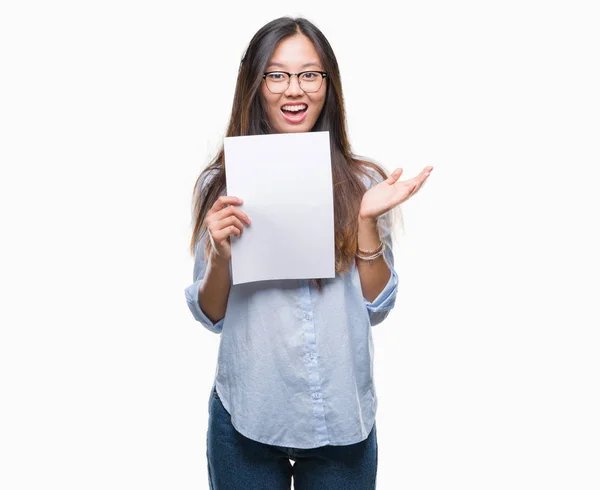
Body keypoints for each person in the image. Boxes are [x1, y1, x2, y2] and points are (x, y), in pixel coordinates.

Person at [184, 16, 433, 490]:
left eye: (309, 74)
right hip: (249, 415)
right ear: (255, 84)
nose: (293, 89)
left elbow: (377, 305)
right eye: (276, 74)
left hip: (341, 418)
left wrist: (363, 220)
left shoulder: (363, 182)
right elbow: (211, 314)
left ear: (328, 84)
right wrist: (219, 254)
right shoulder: (221, 183)